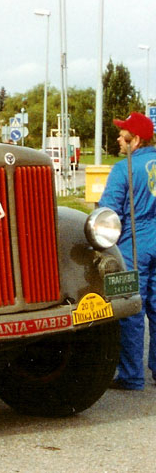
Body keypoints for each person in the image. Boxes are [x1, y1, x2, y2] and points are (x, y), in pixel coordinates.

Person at [99, 111, 156, 390]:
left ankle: (132, 375)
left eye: (123, 136)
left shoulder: (124, 169)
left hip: (134, 245)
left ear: (137, 140)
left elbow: (109, 214)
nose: (119, 140)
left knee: (130, 307)